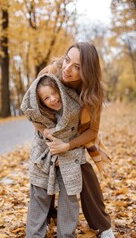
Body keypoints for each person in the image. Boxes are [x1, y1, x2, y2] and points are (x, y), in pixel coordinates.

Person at [37, 42, 115, 238]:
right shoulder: (49, 74)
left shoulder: (93, 92)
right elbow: (32, 110)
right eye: (67, 60)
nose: (67, 69)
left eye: (77, 67)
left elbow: (92, 132)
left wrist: (68, 145)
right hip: (48, 131)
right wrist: (46, 133)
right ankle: (46, 218)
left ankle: (102, 225)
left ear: (87, 72)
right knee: (45, 170)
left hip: (75, 136)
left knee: (84, 173)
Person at [21, 74, 86, 238]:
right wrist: (44, 131)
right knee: (39, 197)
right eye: (46, 98)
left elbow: (83, 131)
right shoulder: (39, 113)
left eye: (54, 93)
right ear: (41, 102)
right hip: (43, 157)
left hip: (69, 156)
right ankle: (34, 235)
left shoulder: (74, 106)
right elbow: (32, 119)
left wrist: (65, 148)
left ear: (60, 90)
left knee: (69, 199)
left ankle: (66, 234)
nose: (52, 99)